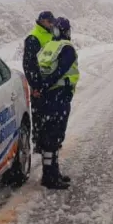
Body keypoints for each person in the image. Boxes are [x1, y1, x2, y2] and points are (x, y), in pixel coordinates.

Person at [34, 16, 79, 189]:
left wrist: (40, 87)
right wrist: (46, 86)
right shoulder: (67, 48)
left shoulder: (49, 46)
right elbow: (60, 72)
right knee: (55, 136)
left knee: (49, 135)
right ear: (66, 31)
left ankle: (52, 172)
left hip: (47, 97)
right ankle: (50, 177)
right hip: (59, 96)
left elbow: (41, 69)